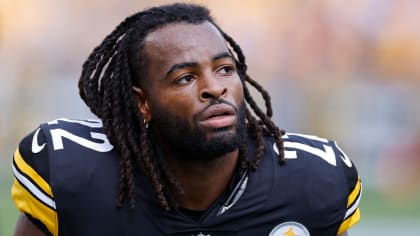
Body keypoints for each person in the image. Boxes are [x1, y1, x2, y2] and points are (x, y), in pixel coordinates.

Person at [11, 3, 361, 236]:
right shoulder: (77, 177)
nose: (214, 89)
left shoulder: (313, 182)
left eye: (225, 69)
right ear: (142, 103)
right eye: (185, 78)